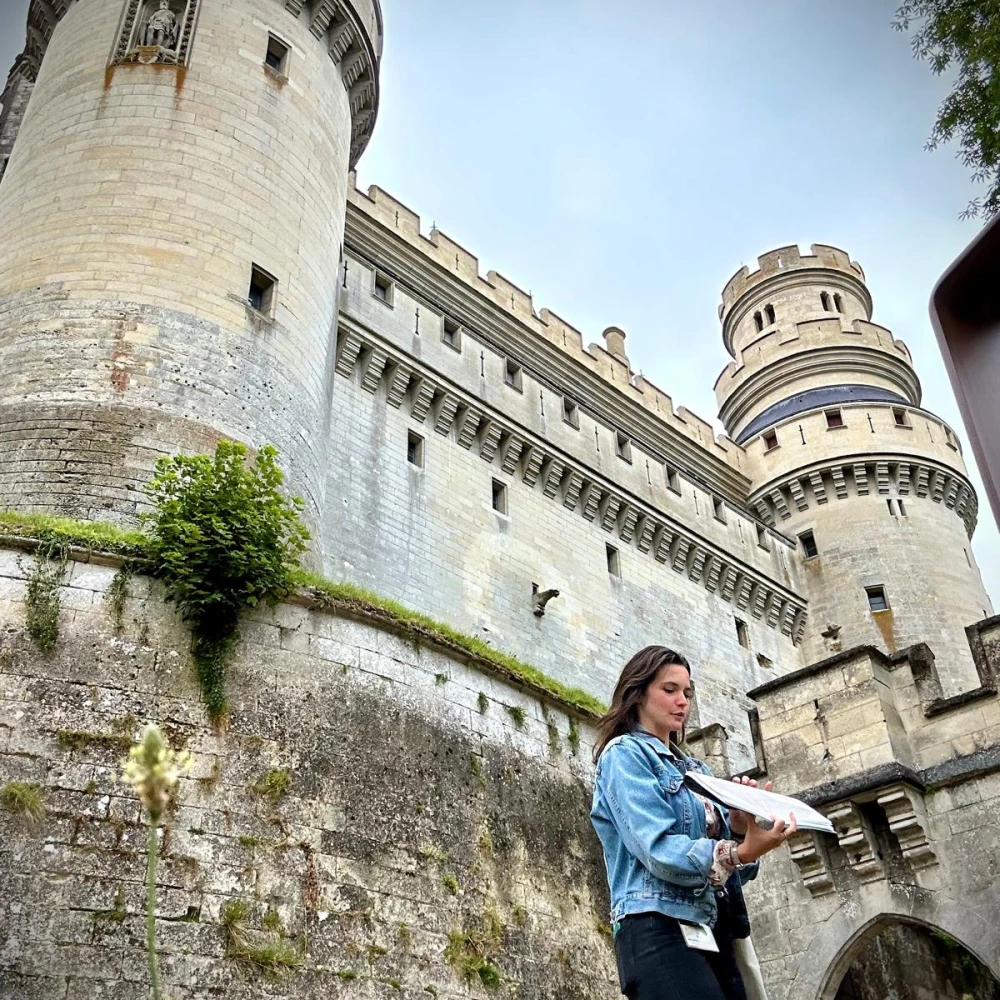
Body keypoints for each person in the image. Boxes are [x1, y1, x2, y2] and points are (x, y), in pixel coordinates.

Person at [590, 645, 796, 1000]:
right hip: (656, 924)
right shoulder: (623, 755)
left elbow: (732, 873)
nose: (682, 701)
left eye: (687, 692)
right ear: (638, 693)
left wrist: (741, 824)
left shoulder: (697, 771)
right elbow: (658, 851)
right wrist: (740, 852)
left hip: (713, 926)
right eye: (669, 690)